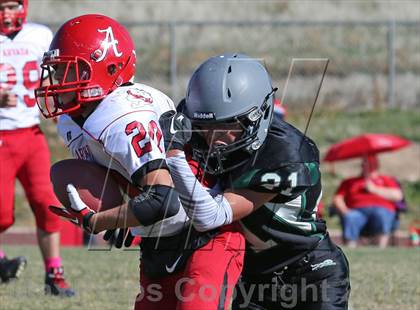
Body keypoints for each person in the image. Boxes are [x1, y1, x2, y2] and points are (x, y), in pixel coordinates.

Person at [35, 14, 244, 309]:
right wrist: (123, 218)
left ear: (106, 68)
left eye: (70, 72)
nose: (58, 82)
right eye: (57, 71)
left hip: (203, 234)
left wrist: (98, 221)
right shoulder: (74, 118)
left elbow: (164, 199)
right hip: (158, 240)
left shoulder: (123, 115)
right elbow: (121, 179)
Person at [159, 53, 351, 309]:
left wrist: (174, 156)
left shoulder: (286, 154)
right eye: (206, 126)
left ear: (257, 115)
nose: (213, 138)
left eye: (227, 125)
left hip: (310, 270)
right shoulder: (199, 131)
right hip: (253, 276)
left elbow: (210, 216)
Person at [0, 0, 75, 296]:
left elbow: (61, 74)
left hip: (31, 134)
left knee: (48, 204)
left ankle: (54, 275)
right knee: (3, 215)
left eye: (11, 6)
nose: (6, 13)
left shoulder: (41, 35)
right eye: (1, 7)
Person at [332, 155, 403, 248]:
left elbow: (398, 196)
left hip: (382, 210)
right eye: (364, 164)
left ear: (376, 165)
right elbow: (338, 198)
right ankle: (350, 248)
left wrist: (375, 189)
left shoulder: (387, 180)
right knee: (351, 216)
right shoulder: (349, 181)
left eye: (370, 164)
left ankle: (381, 248)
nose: (367, 166)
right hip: (356, 212)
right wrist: (345, 211)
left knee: (381, 214)